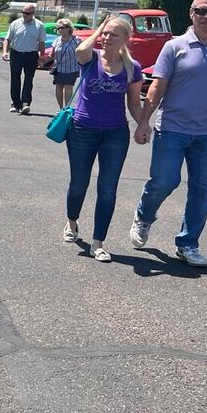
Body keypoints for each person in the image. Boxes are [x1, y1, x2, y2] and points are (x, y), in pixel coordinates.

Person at [129, 0, 207, 266]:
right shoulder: (174, 46)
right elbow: (157, 86)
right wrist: (144, 121)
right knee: (164, 181)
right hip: (172, 128)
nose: (206, 17)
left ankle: (187, 243)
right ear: (191, 13)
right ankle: (144, 216)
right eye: (201, 11)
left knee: (203, 189)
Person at [62, 16, 144, 262]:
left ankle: (98, 242)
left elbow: (133, 102)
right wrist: (99, 29)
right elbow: (80, 49)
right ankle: (72, 221)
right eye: (105, 33)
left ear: (125, 40)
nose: (107, 38)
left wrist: (143, 123)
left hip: (115, 134)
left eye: (113, 35)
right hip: (81, 130)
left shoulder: (133, 67)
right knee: (79, 184)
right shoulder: (91, 58)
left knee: (107, 189)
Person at [2, 3, 44, 114]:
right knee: (15, 79)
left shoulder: (39, 25)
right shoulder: (15, 24)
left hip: (31, 55)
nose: (25, 15)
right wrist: (5, 51)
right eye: (23, 13)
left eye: (27, 13)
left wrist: (41, 57)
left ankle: (25, 103)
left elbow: (41, 42)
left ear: (33, 14)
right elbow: (7, 39)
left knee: (28, 79)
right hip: (16, 54)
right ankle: (15, 104)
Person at [50, 18, 80, 109]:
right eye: (58, 28)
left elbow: (81, 52)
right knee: (58, 88)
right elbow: (52, 54)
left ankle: (66, 108)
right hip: (59, 68)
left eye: (62, 28)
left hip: (72, 68)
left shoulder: (76, 40)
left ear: (69, 28)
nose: (60, 30)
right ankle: (60, 108)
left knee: (68, 88)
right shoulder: (57, 41)